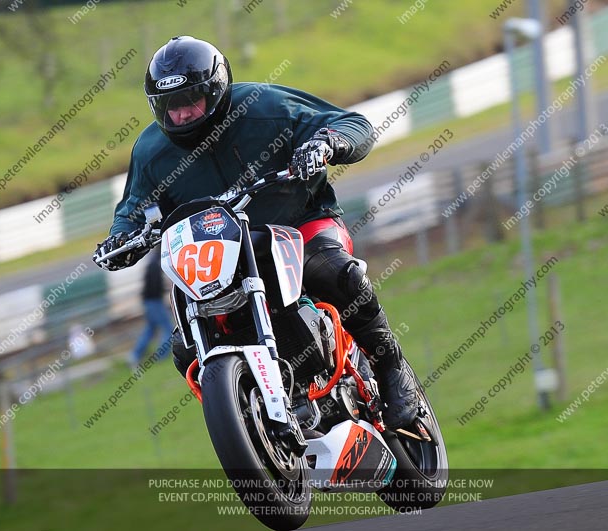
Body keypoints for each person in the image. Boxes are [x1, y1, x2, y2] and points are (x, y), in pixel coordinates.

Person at [92, 36, 417, 429]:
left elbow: (353, 123)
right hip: (220, 253)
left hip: (301, 223)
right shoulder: (150, 151)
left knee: (334, 272)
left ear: (216, 90)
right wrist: (122, 238)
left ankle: (391, 368)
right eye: (169, 107)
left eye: (189, 102)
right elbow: (133, 207)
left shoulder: (265, 106)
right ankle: (249, 419)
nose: (180, 116)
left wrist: (327, 143)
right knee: (184, 347)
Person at [128, 244, 173, 366]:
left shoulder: (152, 262)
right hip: (154, 302)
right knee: (168, 328)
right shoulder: (156, 264)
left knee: (150, 330)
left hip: (149, 302)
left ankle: (134, 355)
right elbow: (155, 286)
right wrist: (166, 289)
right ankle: (162, 356)